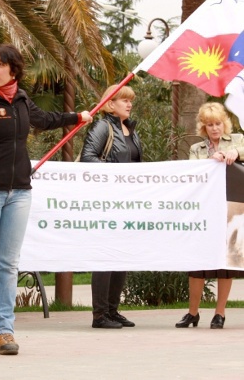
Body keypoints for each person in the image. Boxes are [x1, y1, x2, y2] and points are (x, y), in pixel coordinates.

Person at [0, 43, 92, 355]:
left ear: (13, 70)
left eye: (0, 64)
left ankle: (3, 331)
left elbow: (45, 119)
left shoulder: (22, 100)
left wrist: (77, 117)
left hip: (20, 192)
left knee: (8, 264)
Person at [176, 102, 244, 329]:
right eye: (209, 125)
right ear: (203, 127)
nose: (214, 128)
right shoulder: (197, 149)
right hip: (204, 211)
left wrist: (237, 153)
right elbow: (191, 173)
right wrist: (209, 163)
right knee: (198, 263)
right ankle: (192, 313)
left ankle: (220, 313)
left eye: (217, 123)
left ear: (224, 124)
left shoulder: (238, 140)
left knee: (227, 263)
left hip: (232, 208)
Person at [80, 84, 142, 329]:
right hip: (106, 201)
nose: (129, 104)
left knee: (120, 255)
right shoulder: (102, 126)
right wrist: (116, 176)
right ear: (110, 103)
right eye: (123, 100)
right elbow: (88, 158)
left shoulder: (130, 130)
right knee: (105, 255)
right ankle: (100, 315)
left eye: (130, 100)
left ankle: (113, 311)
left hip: (128, 202)